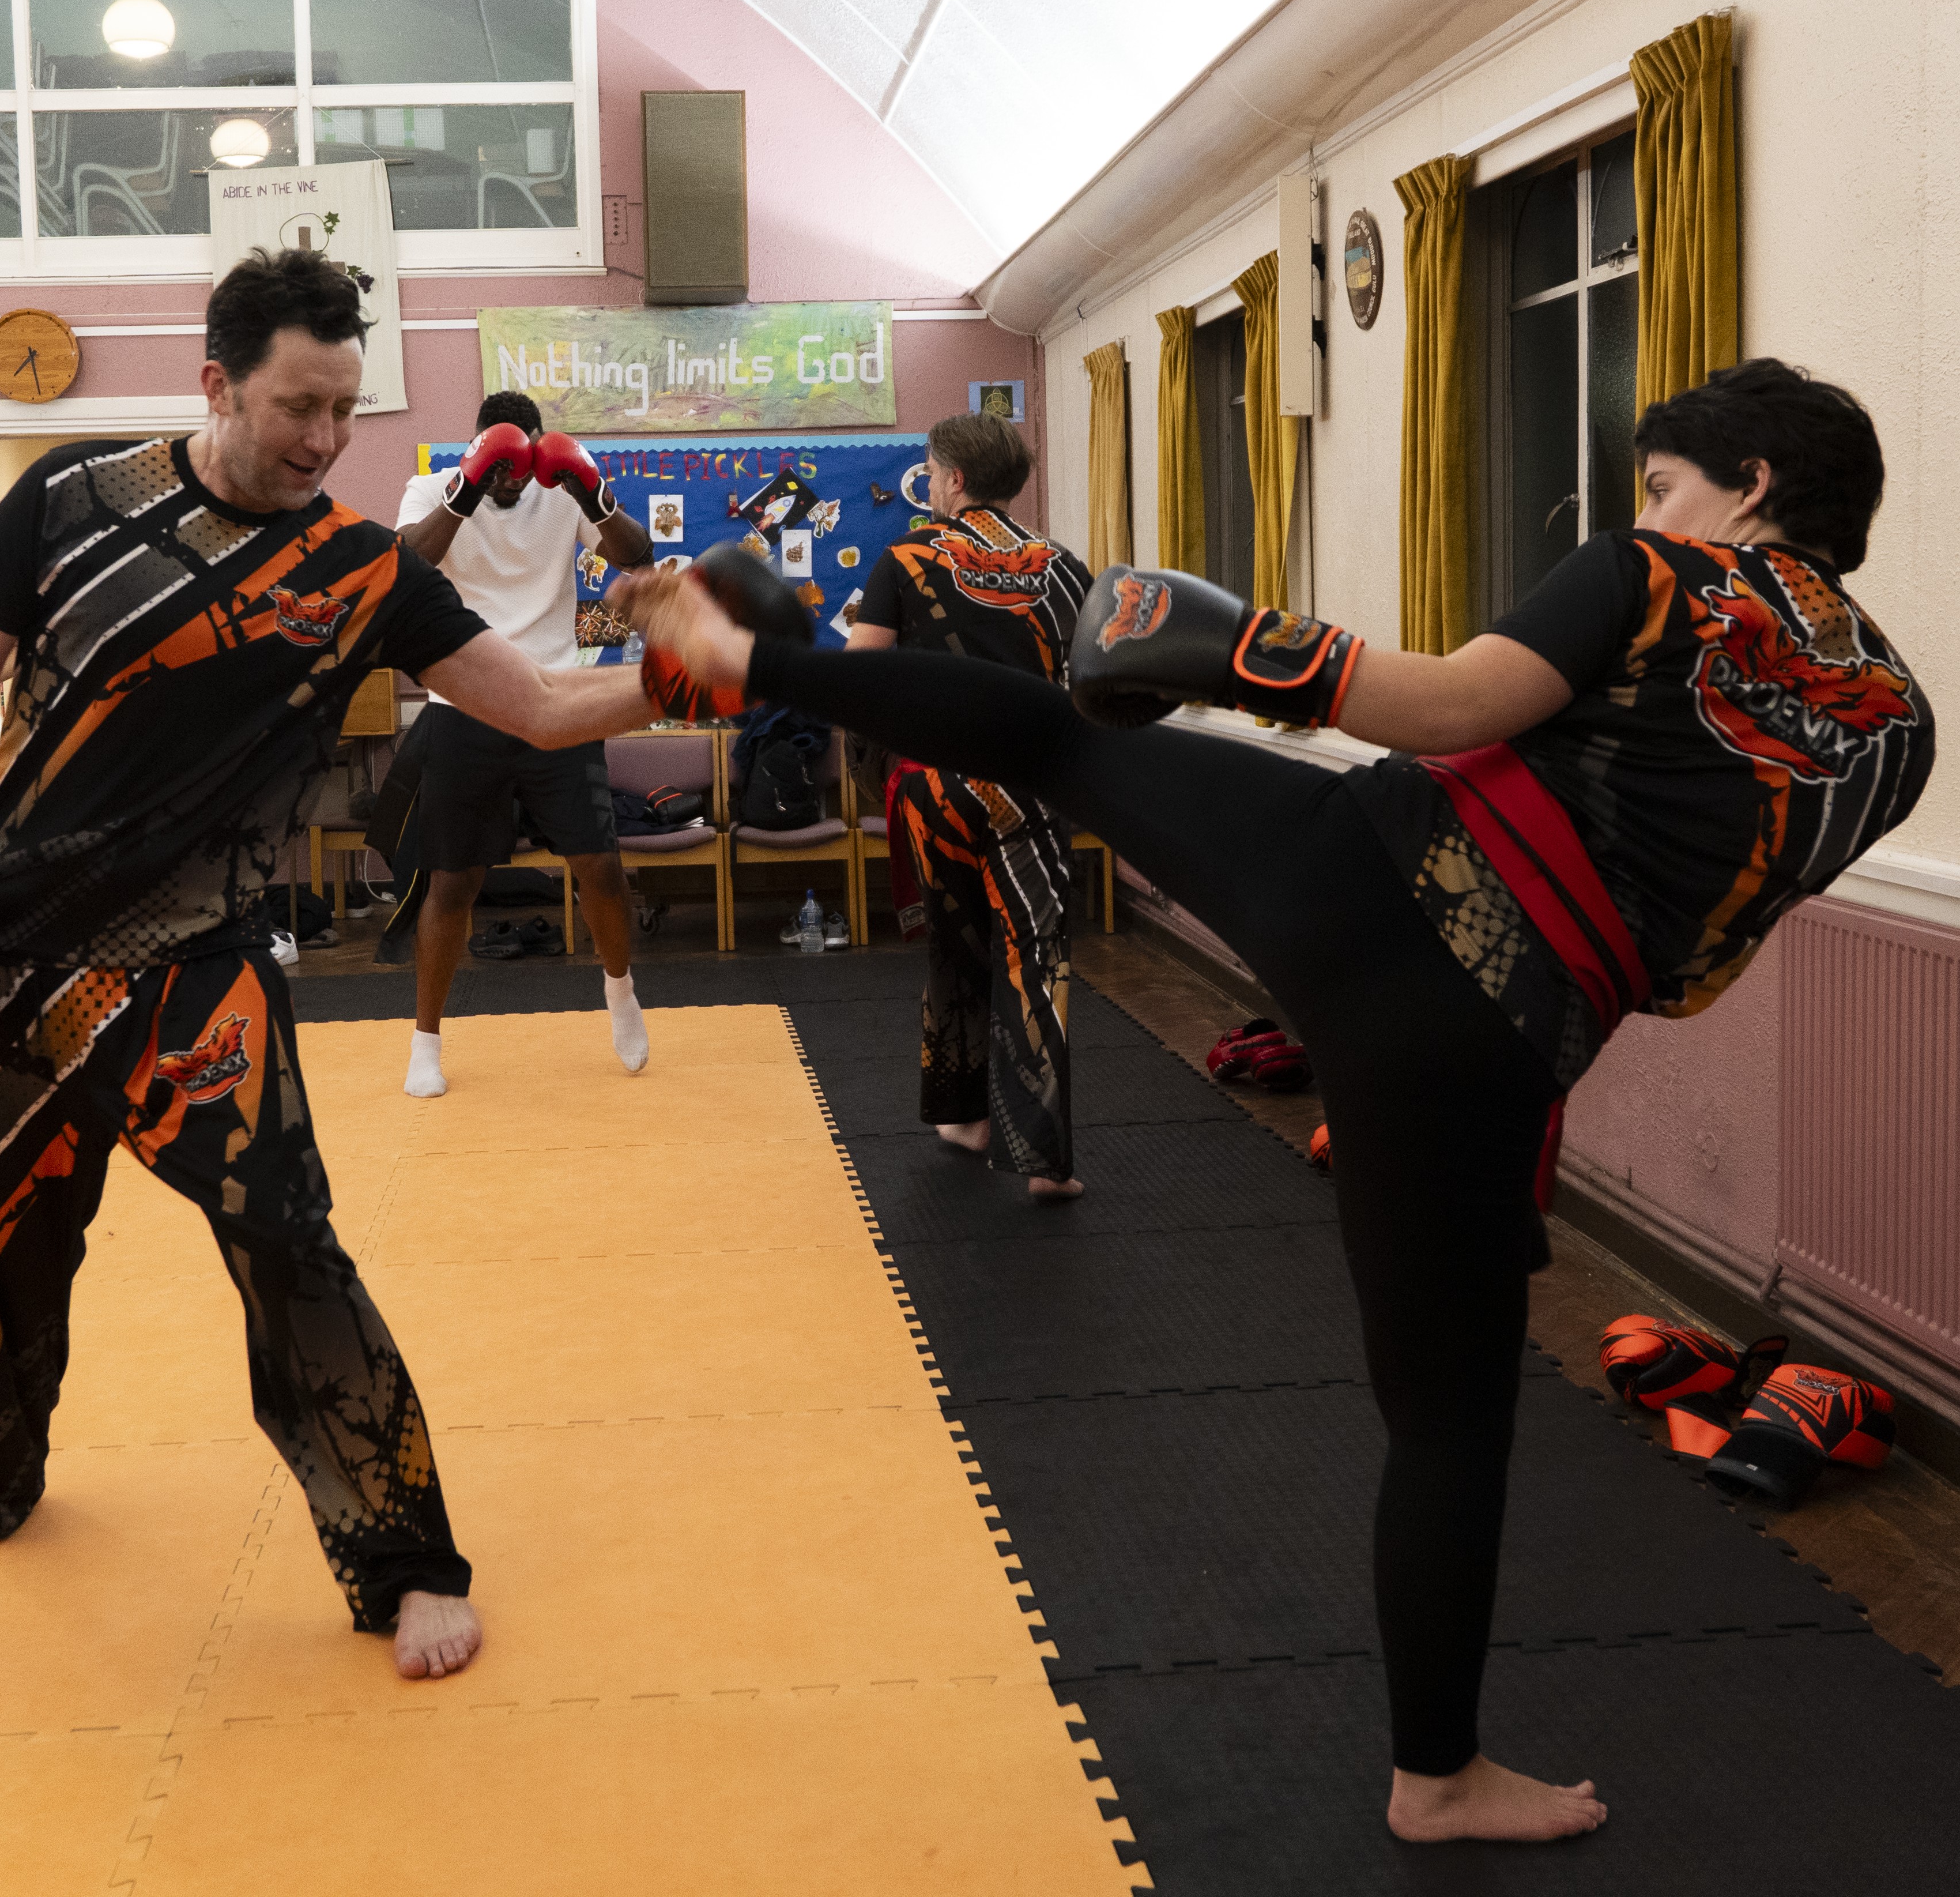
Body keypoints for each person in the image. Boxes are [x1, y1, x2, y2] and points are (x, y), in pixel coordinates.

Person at [629, 357, 1935, 1842]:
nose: (1652, 507)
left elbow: (1441, 708)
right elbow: (1697, 958)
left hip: (1343, 864)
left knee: (1058, 741)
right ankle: (1436, 1776)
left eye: (1663, 481)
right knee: (1445, 1423)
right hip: (1484, 1037)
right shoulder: (1899, 728)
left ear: (1749, 485)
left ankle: (752, 660)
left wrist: (1230, 646)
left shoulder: (1667, 575)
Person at [0, 249, 672, 1679]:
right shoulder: (66, 502)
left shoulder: (359, 570)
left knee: (292, 1252)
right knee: (1, 1243)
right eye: (299, 406)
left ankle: (406, 1563)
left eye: (345, 407)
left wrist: (691, 671)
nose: (327, 438)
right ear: (216, 381)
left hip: (191, 971)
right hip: (4, 958)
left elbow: (530, 707)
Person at [846, 413, 1091, 1199]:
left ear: (951, 480)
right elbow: (1094, 684)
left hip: (936, 787)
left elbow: (862, 679)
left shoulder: (908, 558)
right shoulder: (1064, 567)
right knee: (1035, 952)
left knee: (956, 947)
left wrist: (877, 761)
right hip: (1031, 780)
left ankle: (966, 1119)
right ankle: (1044, 1159)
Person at [395, 392, 654, 1098]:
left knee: (599, 865)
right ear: (480, 449)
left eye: (523, 464)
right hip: (463, 702)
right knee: (453, 879)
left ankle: (621, 993)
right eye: (502, 465)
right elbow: (408, 569)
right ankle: (425, 1040)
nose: (515, 478)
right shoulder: (432, 487)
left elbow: (638, 556)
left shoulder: (563, 486)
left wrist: (590, 491)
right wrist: (467, 485)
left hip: (556, 699)